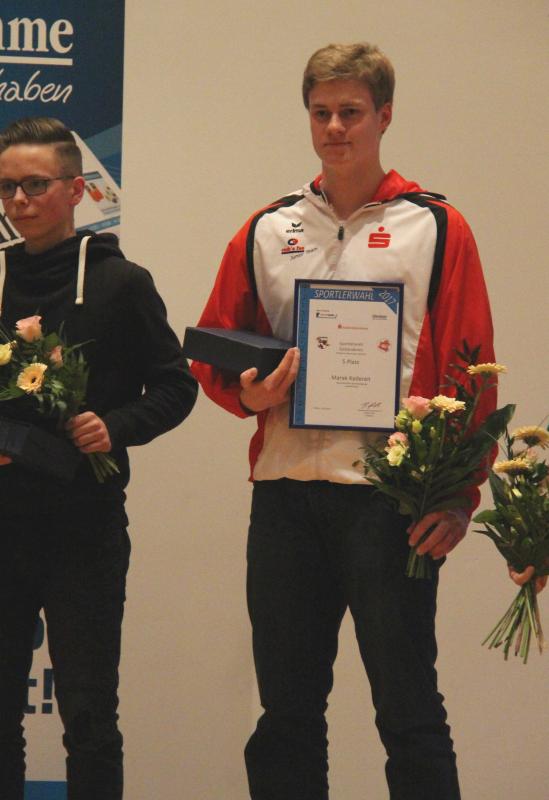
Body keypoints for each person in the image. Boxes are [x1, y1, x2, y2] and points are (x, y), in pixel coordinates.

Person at [191, 43, 495, 800]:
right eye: (321, 112)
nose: (334, 127)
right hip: (284, 496)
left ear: (383, 116)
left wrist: (457, 496)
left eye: (351, 112)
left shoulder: (437, 226)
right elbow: (214, 347)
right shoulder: (267, 228)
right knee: (286, 713)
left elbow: (473, 370)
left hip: (389, 503)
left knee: (408, 712)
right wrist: (250, 397)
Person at [0, 117, 197, 800]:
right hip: (3, 529)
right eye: (6, 187)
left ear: (76, 189)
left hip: (84, 532)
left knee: (88, 717)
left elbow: (176, 387)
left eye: (34, 184)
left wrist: (114, 427)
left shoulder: (120, 283)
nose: (19, 200)